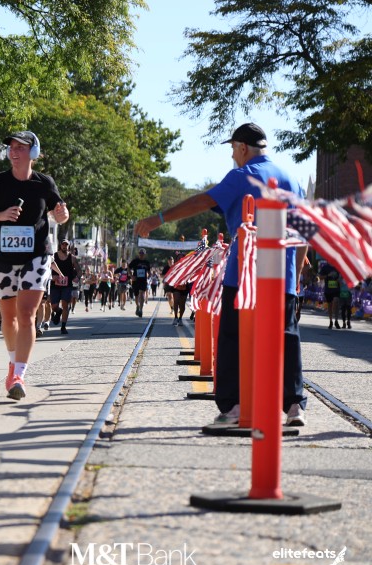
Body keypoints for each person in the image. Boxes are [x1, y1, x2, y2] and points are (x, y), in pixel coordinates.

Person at [134, 122, 308, 427]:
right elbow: (305, 233)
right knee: (287, 338)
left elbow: (203, 201)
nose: (232, 157)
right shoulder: (293, 179)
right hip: (283, 275)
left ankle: (233, 406)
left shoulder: (243, 176)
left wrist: (158, 218)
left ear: (242, 148)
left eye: (233, 150)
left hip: (243, 275)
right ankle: (294, 405)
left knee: (231, 338)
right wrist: (297, 274)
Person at [0, 130, 69, 401]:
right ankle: (12, 363)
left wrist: (62, 214)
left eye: (21, 147)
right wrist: (0, 216)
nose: (14, 151)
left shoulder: (44, 183)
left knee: (27, 314)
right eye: (12, 147)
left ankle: (19, 375)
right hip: (2, 258)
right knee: (9, 317)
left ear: (33, 153)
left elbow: (60, 213)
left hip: (36, 256)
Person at [48, 239, 78, 335]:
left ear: (68, 246)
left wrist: (77, 277)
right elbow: (47, 268)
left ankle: (63, 327)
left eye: (66, 245)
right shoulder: (54, 256)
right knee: (54, 306)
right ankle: (58, 311)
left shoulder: (72, 258)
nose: (64, 246)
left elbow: (79, 270)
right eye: (63, 244)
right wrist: (52, 277)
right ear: (60, 245)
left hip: (67, 285)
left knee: (65, 304)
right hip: (55, 284)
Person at [128, 248, 152, 317]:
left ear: (145, 254)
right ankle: (137, 306)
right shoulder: (135, 261)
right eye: (140, 253)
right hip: (136, 280)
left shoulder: (147, 262)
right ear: (139, 254)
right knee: (136, 295)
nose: (141, 255)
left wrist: (149, 275)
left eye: (142, 254)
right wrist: (131, 276)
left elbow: (149, 271)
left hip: (143, 280)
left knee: (142, 294)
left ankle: (141, 309)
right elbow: (128, 267)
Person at [319, 261, 342, 329]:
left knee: (336, 301)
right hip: (328, 289)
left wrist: (339, 279)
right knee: (330, 305)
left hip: (336, 289)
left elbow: (342, 276)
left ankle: (336, 320)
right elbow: (320, 277)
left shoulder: (338, 266)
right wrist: (328, 275)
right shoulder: (325, 267)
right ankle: (331, 321)